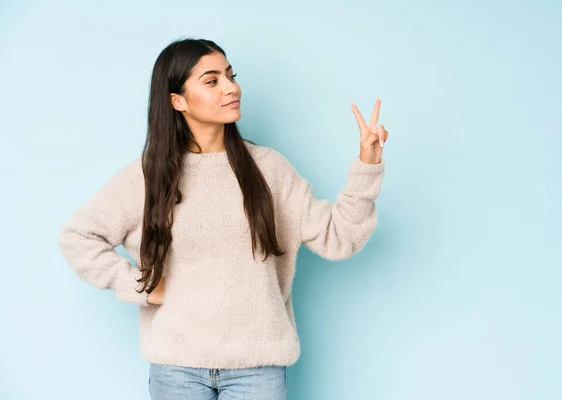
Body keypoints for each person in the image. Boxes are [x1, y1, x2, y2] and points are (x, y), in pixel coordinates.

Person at [58, 38, 388, 400]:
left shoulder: (269, 169)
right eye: (212, 80)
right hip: (176, 368)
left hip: (257, 370)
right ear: (177, 101)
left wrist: (367, 164)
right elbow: (79, 237)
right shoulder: (149, 176)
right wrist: (141, 285)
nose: (232, 88)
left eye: (231, 76)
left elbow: (339, 237)